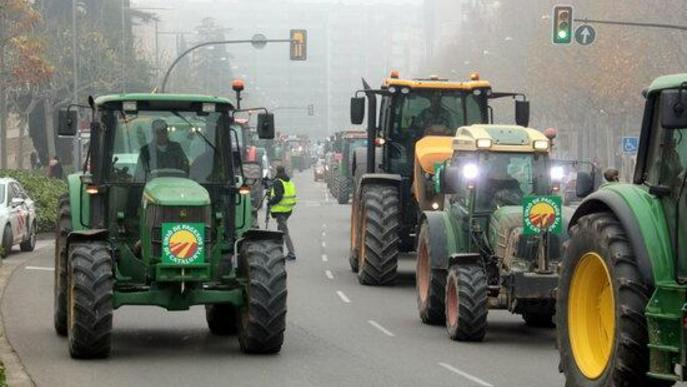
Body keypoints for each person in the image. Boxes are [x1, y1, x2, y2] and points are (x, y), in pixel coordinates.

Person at [268, 166, 297, 261]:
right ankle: (278, 251)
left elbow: (278, 197)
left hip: (281, 210)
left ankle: (291, 253)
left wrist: (270, 202)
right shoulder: (288, 181)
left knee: (284, 232)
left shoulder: (278, 182)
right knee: (280, 230)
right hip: (288, 210)